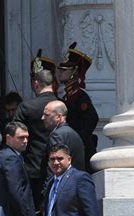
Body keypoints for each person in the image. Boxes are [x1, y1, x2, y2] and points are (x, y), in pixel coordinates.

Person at [14, 53, 58, 210]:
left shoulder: (26, 107)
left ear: (36, 83)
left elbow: (15, 135)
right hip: (60, 167)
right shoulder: (63, 105)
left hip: (33, 168)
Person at [56, 42, 99, 173]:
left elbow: (92, 119)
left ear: (74, 73)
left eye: (64, 70)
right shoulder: (67, 96)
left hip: (82, 152)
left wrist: (78, 140)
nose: (60, 73)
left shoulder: (80, 96)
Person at [42, 100, 85, 171]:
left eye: (46, 115)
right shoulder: (74, 133)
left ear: (59, 117)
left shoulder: (56, 135)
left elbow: (55, 166)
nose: (42, 118)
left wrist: (50, 182)